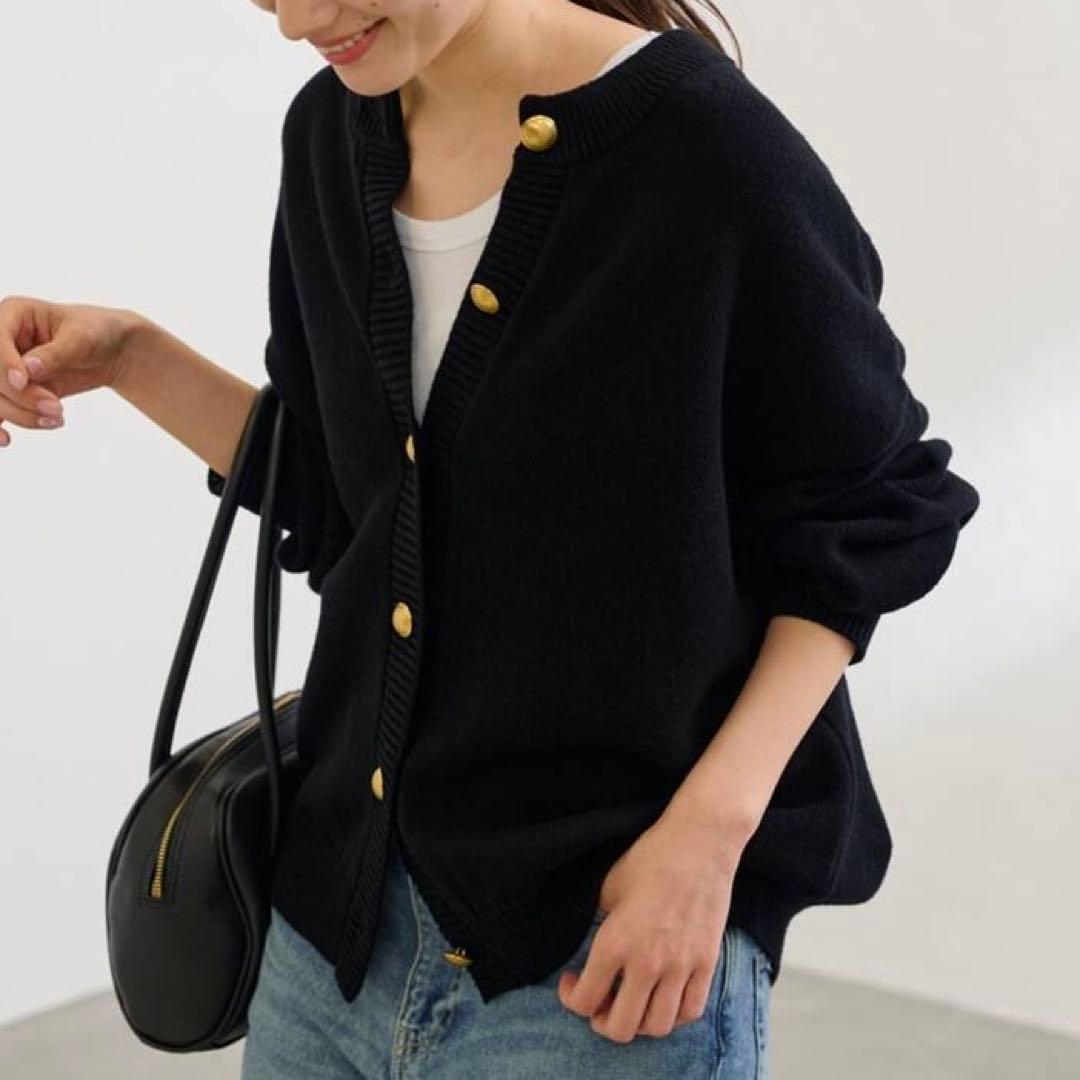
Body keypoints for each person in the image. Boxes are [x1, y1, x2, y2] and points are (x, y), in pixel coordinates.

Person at [1, 1, 981, 1077]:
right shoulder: (332, 136)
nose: (296, 21)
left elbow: (869, 508)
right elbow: (349, 501)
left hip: (603, 952)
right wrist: (131, 358)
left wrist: (706, 842)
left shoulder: (708, 151)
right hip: (331, 937)